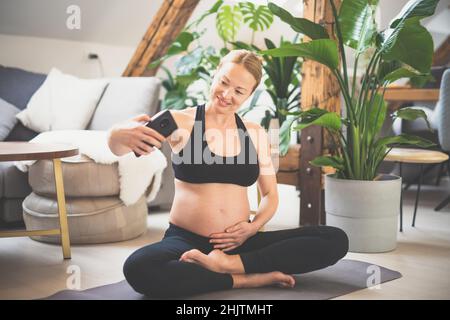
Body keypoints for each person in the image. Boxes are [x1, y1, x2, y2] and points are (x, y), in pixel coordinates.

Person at [108, 49, 348, 298]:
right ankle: (245, 279)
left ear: (250, 95)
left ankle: (231, 266)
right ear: (215, 75)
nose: (226, 94)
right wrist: (115, 134)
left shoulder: (255, 134)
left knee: (335, 239)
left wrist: (252, 228)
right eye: (224, 82)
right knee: (138, 267)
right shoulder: (178, 121)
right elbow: (121, 148)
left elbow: (270, 195)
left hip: (242, 243)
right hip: (186, 240)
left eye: (239, 91)